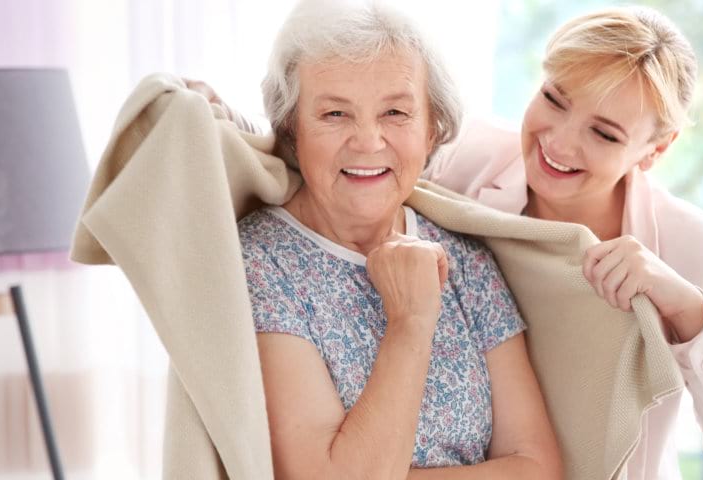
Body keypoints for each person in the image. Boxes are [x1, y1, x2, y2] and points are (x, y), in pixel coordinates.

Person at [197, 4, 703, 479]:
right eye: (555, 100)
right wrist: (226, 131)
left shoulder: (699, 249)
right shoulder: (468, 160)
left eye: (604, 133)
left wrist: (688, 307)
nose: (559, 143)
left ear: (655, 150)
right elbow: (352, 150)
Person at [236, 1, 563, 479]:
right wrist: (410, 320)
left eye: (395, 112)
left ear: (431, 129)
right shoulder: (261, 264)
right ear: (292, 128)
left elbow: (539, 468)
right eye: (334, 113)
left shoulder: (467, 260)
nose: (368, 140)